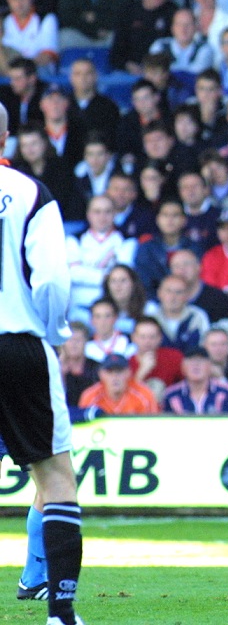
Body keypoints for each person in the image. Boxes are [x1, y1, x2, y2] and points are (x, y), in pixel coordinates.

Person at [0, 104, 84, 625]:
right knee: (55, 477)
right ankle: (60, 613)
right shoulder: (30, 193)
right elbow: (52, 279)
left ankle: (36, 581)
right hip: (18, 343)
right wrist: (51, 334)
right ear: (7, 136)